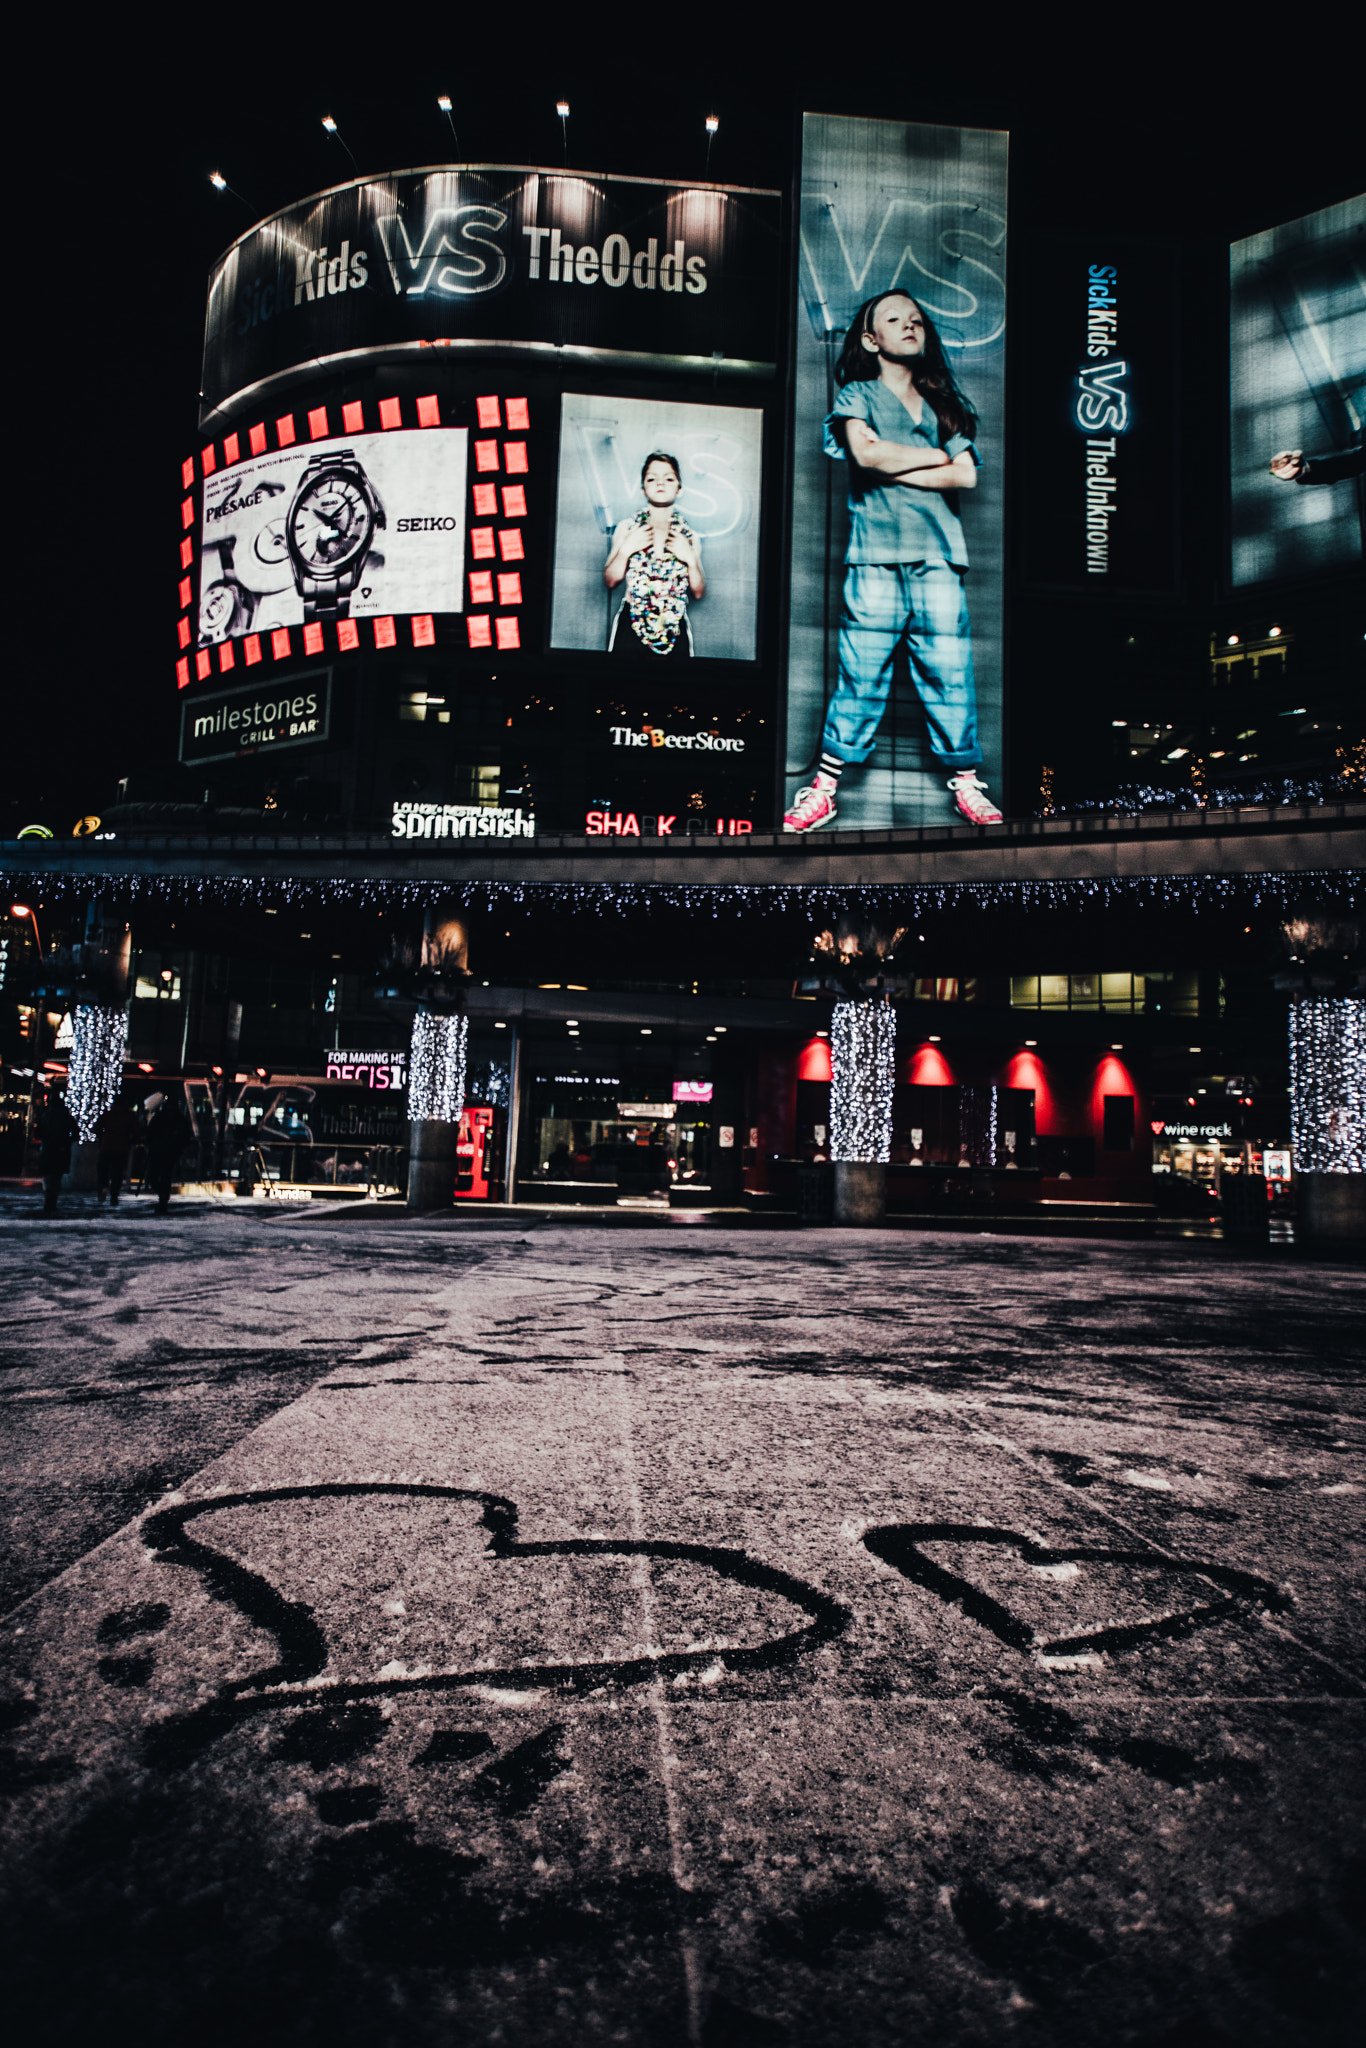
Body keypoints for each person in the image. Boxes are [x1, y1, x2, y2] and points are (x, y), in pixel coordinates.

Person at [785, 290, 1002, 833]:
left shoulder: (945, 403)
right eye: (893, 319)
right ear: (870, 338)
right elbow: (865, 455)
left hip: (939, 557)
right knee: (860, 673)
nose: (909, 324)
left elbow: (966, 475)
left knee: (950, 673)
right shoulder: (856, 393)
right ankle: (825, 790)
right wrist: (935, 455)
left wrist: (895, 461)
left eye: (915, 319)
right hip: (874, 556)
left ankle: (969, 784)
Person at [603, 452, 705, 659]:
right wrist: (626, 550)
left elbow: (698, 592)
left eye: (668, 478)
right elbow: (610, 580)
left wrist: (690, 560)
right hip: (632, 625)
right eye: (652, 478)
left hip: (674, 628)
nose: (660, 483)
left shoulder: (688, 535)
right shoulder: (628, 528)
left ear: (680, 488)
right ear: (642, 488)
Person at [144, 1092, 190, 1214]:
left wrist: (150, 1144)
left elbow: (150, 1133)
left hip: (158, 1151)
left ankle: (162, 1196)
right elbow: (186, 1136)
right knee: (165, 1176)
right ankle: (163, 1198)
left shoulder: (160, 1117)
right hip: (171, 1152)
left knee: (152, 1176)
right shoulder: (180, 1119)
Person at [35, 1089, 78, 1216]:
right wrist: (67, 1141)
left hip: (48, 1148)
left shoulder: (45, 1115)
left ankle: (48, 1200)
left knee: (48, 1176)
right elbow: (75, 1132)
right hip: (61, 1150)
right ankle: (53, 1200)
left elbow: (38, 1133)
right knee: (56, 1176)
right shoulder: (66, 1116)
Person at [95, 1097, 140, 1207]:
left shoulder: (108, 1114)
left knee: (102, 1170)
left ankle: (103, 1186)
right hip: (121, 1148)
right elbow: (137, 1130)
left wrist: (102, 1138)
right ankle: (114, 1196)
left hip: (106, 1147)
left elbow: (96, 1128)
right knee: (117, 1173)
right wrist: (131, 1140)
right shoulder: (129, 1116)